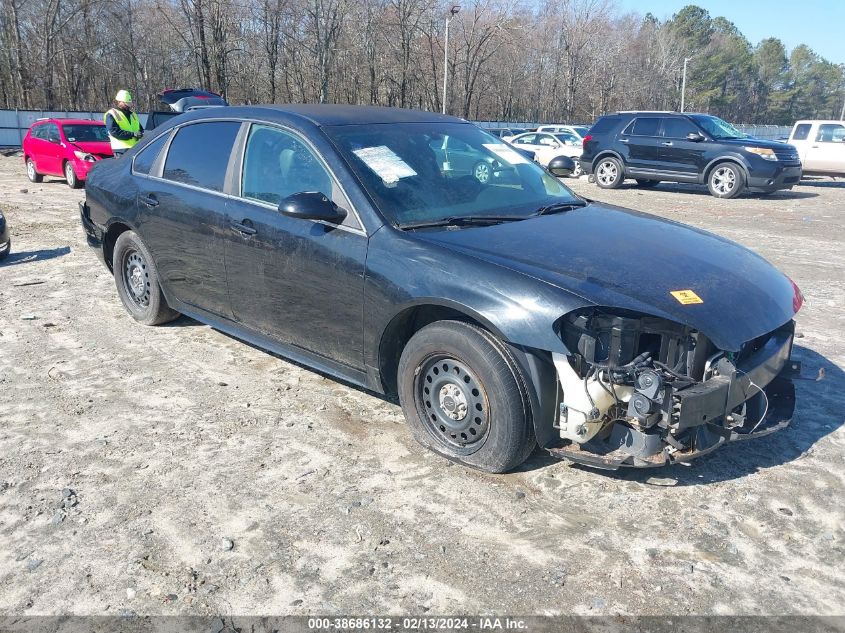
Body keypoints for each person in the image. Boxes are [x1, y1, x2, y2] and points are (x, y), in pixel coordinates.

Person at [104, 89, 143, 156]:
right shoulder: (111, 114)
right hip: (121, 149)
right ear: (119, 102)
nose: (128, 105)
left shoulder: (133, 115)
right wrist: (133, 134)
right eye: (126, 103)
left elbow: (140, 129)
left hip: (135, 148)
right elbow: (115, 132)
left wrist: (139, 134)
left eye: (129, 103)